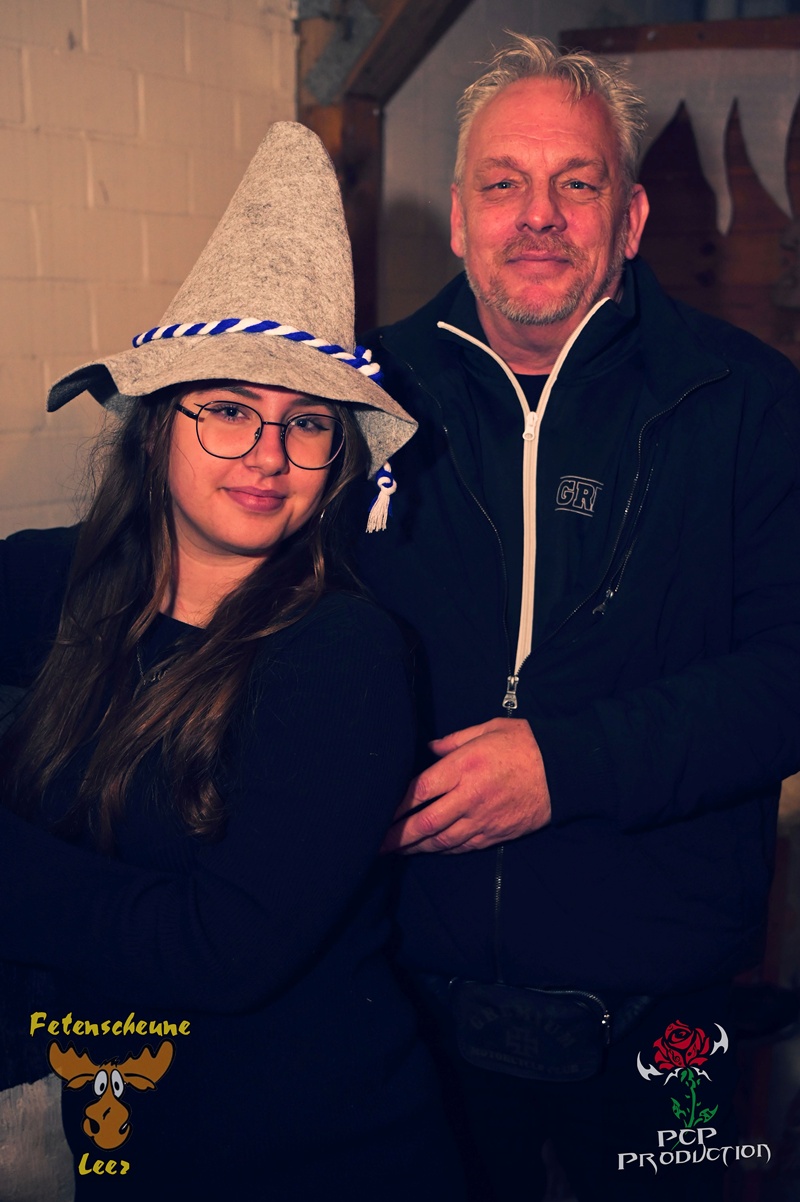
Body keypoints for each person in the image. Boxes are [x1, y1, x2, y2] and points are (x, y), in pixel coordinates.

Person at [357, 34, 800, 1202]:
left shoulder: (749, 404)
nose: (538, 215)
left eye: (577, 182)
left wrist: (568, 764)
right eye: (503, 183)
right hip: (406, 994)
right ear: (460, 218)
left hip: (667, 1011)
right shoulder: (361, 400)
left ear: (632, 217)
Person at [0, 122, 464, 1200]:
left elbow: (222, 948)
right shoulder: (52, 583)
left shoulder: (342, 654)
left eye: (307, 423)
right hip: (120, 1138)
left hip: (314, 1159)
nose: (267, 454)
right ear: (156, 424)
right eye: (228, 410)